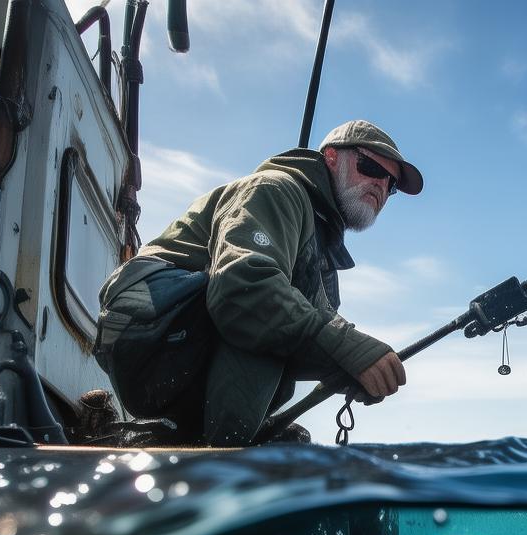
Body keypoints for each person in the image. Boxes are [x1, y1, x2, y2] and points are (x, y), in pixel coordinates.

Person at [95, 119, 422, 446]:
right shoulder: (277, 189)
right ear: (332, 158)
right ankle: (218, 455)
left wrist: (347, 366)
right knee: (265, 317)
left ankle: (190, 441)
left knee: (285, 332)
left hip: (182, 336)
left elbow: (313, 332)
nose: (381, 185)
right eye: (369, 167)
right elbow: (242, 287)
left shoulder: (318, 250)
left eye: (390, 183)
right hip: (150, 325)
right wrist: (348, 346)